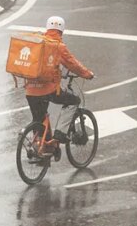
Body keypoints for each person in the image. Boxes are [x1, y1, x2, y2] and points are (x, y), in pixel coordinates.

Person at [24, 16, 94, 155]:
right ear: (62, 30)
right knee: (74, 101)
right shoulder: (57, 46)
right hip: (48, 90)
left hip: (30, 90)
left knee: (39, 118)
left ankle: (43, 148)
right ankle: (60, 134)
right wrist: (87, 74)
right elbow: (72, 63)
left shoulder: (37, 43)